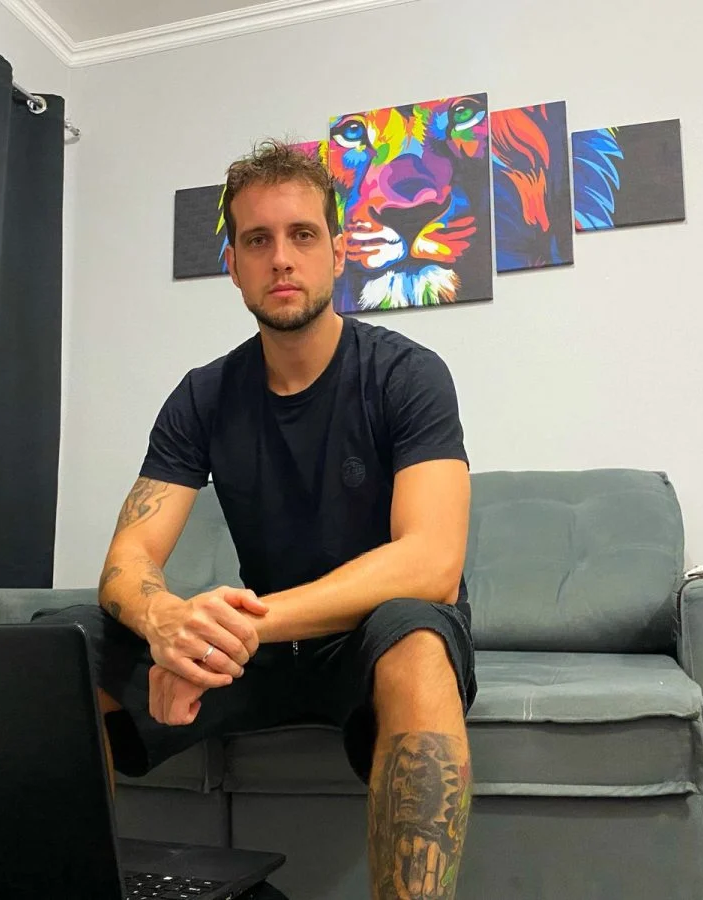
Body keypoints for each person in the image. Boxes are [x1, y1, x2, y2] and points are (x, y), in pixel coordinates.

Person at [38, 140, 475, 900]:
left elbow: (431, 563)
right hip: (265, 651)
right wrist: (169, 626)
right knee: (63, 642)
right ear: (232, 265)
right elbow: (128, 559)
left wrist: (232, 629)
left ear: (339, 251)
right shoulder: (203, 396)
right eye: (257, 240)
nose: (281, 258)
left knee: (415, 630)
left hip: (365, 640)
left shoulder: (407, 375)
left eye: (302, 234)